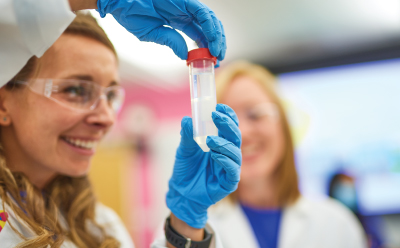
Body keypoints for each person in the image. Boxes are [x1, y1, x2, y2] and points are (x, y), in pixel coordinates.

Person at [0, 3, 240, 248]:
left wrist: (186, 220)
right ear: (3, 102)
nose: (106, 118)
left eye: (111, 96)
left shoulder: (102, 225)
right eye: (75, 90)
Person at [208, 61, 367, 248]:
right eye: (226, 121)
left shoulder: (337, 225)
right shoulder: (193, 229)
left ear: (282, 125)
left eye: (255, 114)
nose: (242, 132)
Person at [328, 172, 384, 248]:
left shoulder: (367, 220)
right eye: (344, 188)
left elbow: (379, 243)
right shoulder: (329, 219)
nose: (348, 193)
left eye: (351, 188)